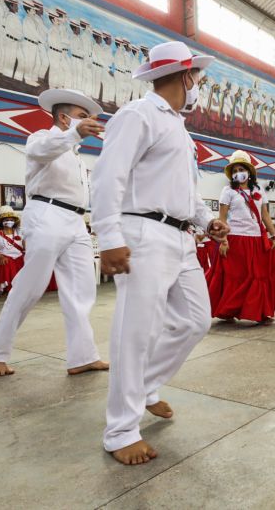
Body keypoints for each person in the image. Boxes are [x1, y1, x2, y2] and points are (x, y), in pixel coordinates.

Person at [92, 41, 228, 466]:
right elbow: (107, 177)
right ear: (186, 76)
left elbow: (185, 191)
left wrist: (207, 221)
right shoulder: (138, 115)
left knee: (196, 320)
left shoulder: (179, 129)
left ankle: (147, 387)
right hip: (143, 233)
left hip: (181, 237)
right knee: (136, 332)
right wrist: (109, 235)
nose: (198, 87)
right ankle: (120, 430)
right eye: (198, 79)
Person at [0, 88, 108, 378]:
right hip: (47, 215)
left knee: (82, 289)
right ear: (64, 118)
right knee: (30, 286)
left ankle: (82, 356)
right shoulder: (41, 138)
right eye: (81, 117)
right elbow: (42, 151)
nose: (86, 122)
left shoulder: (77, 157)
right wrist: (74, 135)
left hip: (76, 222)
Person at [208, 150, 275, 324]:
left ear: (248, 171)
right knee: (236, 276)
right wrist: (223, 240)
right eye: (235, 170)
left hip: (256, 239)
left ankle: (259, 311)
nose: (238, 172)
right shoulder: (228, 191)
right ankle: (229, 310)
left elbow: (265, 216)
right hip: (235, 238)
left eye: (241, 168)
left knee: (257, 275)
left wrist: (274, 234)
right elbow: (222, 217)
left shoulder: (259, 190)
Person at [0, 206, 24, 294]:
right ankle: (7, 288)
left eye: (11, 220)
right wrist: (1, 257)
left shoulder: (19, 231)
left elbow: (24, 245)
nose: (9, 222)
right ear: (2, 222)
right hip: (5, 256)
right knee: (7, 263)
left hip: (19, 256)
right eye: (6, 220)